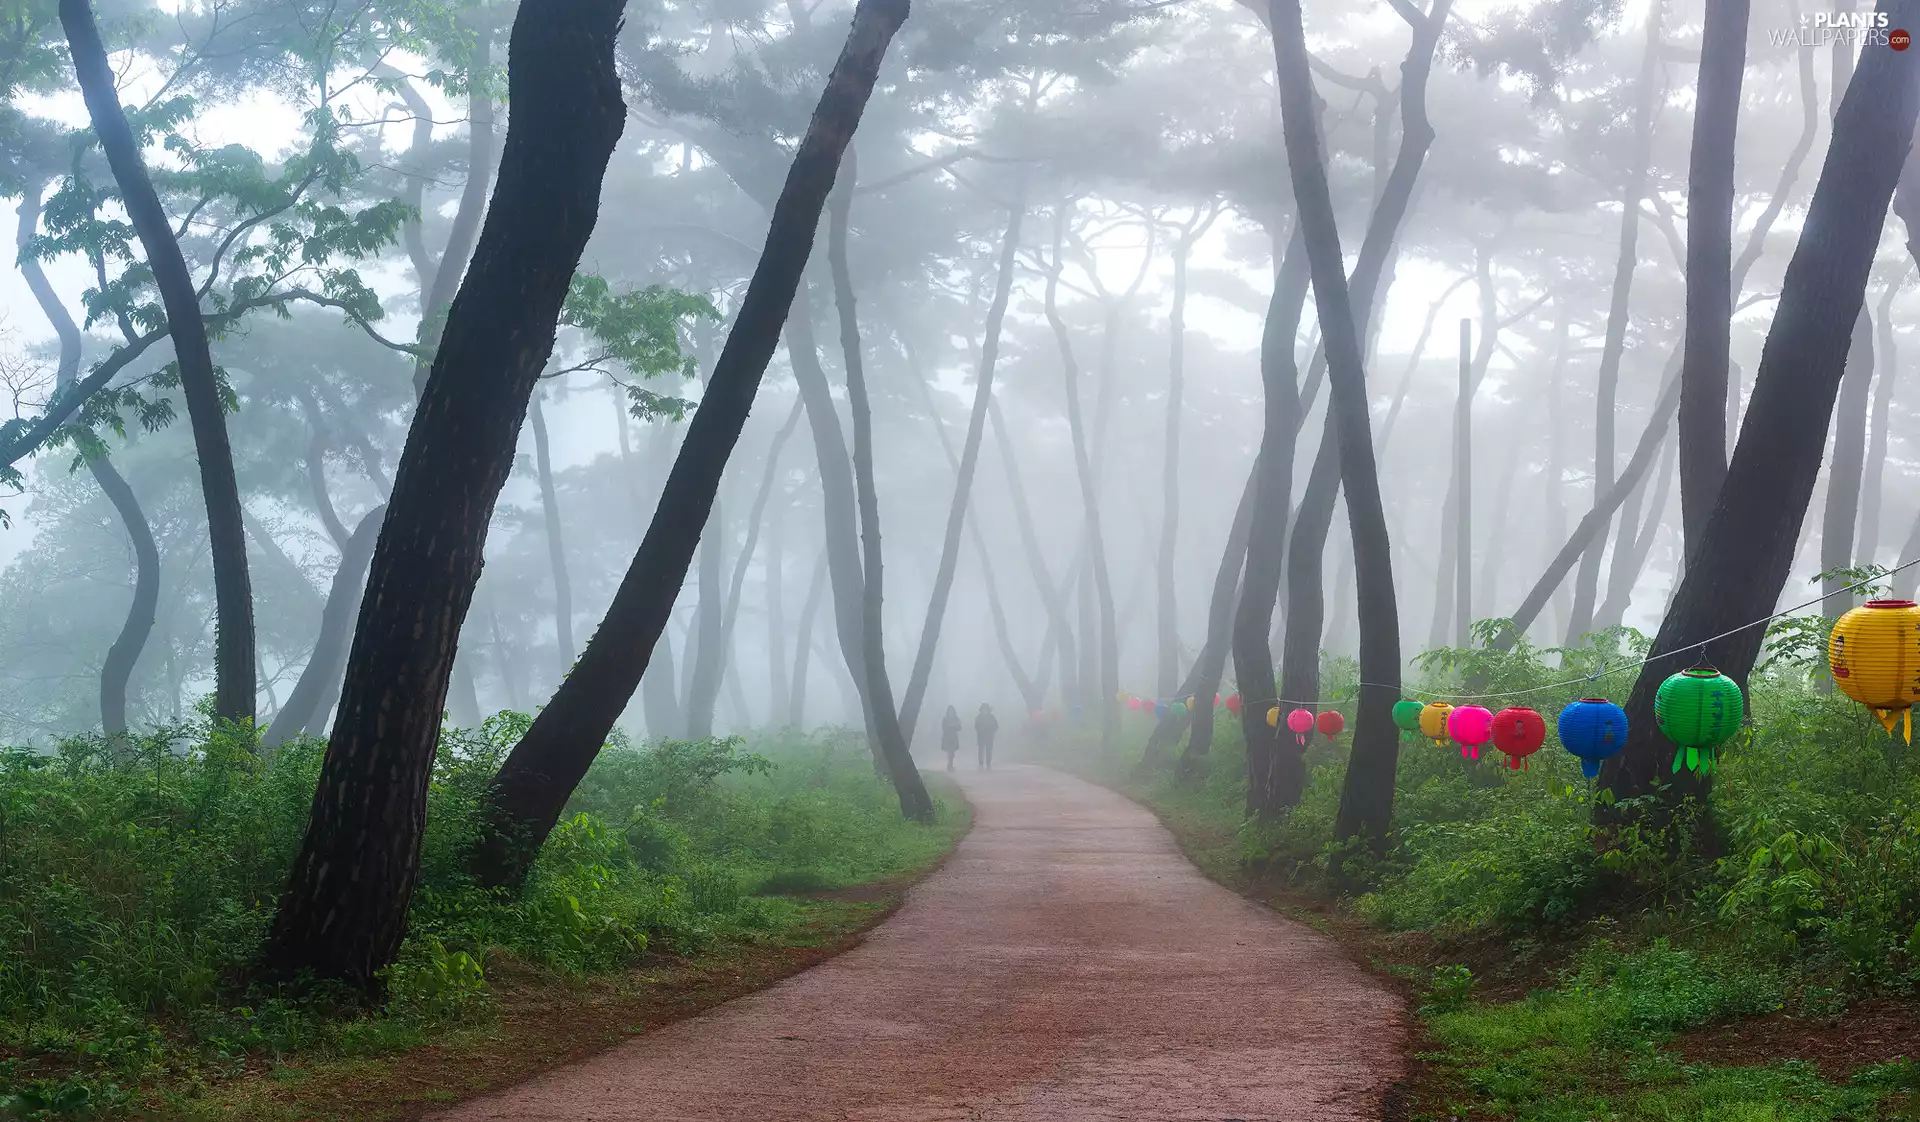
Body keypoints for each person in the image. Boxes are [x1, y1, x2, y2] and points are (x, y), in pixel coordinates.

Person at [975, 703, 999, 771]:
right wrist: (980, 730)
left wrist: (991, 730)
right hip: (981, 737)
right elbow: (976, 726)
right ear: (981, 710)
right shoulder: (979, 717)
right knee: (981, 750)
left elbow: (996, 726)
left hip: (989, 737)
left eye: (986, 709)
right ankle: (981, 764)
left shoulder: (992, 717)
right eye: (983, 709)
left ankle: (988, 763)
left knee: (989, 750)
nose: (984, 711)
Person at [940, 705, 962, 772]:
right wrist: (950, 726)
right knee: (950, 752)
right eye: (950, 712)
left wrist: (955, 726)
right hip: (947, 737)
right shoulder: (945, 719)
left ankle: (950, 765)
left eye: (952, 712)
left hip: (954, 738)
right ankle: (950, 765)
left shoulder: (956, 719)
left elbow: (959, 728)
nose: (951, 713)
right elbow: (943, 727)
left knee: (952, 752)